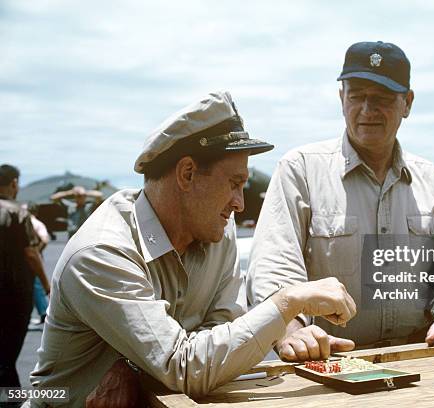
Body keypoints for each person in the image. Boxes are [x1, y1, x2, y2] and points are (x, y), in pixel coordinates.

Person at [28, 92, 356, 407]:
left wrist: (139, 370)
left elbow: (221, 339)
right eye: (234, 183)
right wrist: (286, 302)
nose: (239, 204)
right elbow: (185, 367)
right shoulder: (102, 251)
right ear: (187, 174)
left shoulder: (217, 227)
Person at [247, 41, 434, 362]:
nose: (367, 110)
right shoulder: (300, 169)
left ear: (407, 103)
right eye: (356, 95)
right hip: (330, 361)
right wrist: (292, 328)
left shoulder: (432, 180)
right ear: (341, 98)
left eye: (382, 98)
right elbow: (274, 264)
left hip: (420, 359)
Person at [0, 164, 50, 391]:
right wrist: (47, 285)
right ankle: (9, 396)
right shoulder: (18, 212)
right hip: (14, 291)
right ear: (14, 183)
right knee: (8, 351)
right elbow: (31, 253)